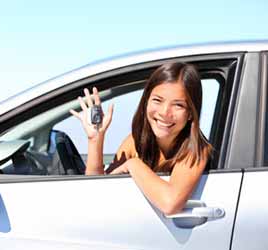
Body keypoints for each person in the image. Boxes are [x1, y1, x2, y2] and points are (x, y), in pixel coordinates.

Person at [69, 62, 212, 215]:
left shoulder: (196, 150)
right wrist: (95, 140)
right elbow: (97, 192)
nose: (165, 112)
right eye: (157, 100)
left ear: (191, 113)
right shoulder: (135, 142)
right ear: (146, 102)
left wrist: (133, 164)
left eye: (178, 105)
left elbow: (170, 204)